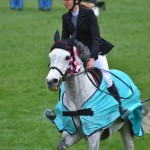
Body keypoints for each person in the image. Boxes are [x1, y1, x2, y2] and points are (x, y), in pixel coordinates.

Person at [45, 0, 130, 120]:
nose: (64, 2)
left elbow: (96, 38)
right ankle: (59, 112)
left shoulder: (89, 14)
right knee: (64, 76)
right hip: (78, 54)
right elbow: (65, 39)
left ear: (76, 1)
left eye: (67, 0)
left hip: (95, 50)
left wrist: (92, 58)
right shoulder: (65, 17)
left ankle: (121, 109)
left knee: (106, 77)